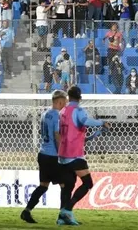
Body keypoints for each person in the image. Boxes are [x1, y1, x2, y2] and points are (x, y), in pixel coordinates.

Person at [57, 86, 107, 226]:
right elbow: (85, 121)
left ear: (68, 97)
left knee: (68, 187)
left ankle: (61, 217)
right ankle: (67, 210)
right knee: (87, 183)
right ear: (80, 98)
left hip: (62, 155)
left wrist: (94, 135)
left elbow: (71, 134)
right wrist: (101, 122)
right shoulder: (78, 110)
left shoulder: (62, 111)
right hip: (74, 155)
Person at [21, 90, 68, 223]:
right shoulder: (57, 115)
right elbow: (57, 135)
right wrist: (61, 154)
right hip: (53, 155)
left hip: (43, 154)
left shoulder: (44, 114)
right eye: (65, 101)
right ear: (60, 102)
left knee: (43, 185)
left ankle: (27, 211)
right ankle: (63, 216)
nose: (66, 104)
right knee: (64, 185)